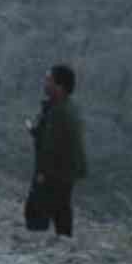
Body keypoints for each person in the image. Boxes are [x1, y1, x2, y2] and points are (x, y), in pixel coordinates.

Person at [25, 64, 87, 238]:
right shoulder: (63, 107)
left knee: (37, 210)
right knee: (61, 209)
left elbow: (50, 146)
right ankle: (63, 245)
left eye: (48, 80)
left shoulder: (61, 111)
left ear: (59, 86)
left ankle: (38, 249)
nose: (44, 83)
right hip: (63, 172)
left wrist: (42, 173)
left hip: (56, 172)